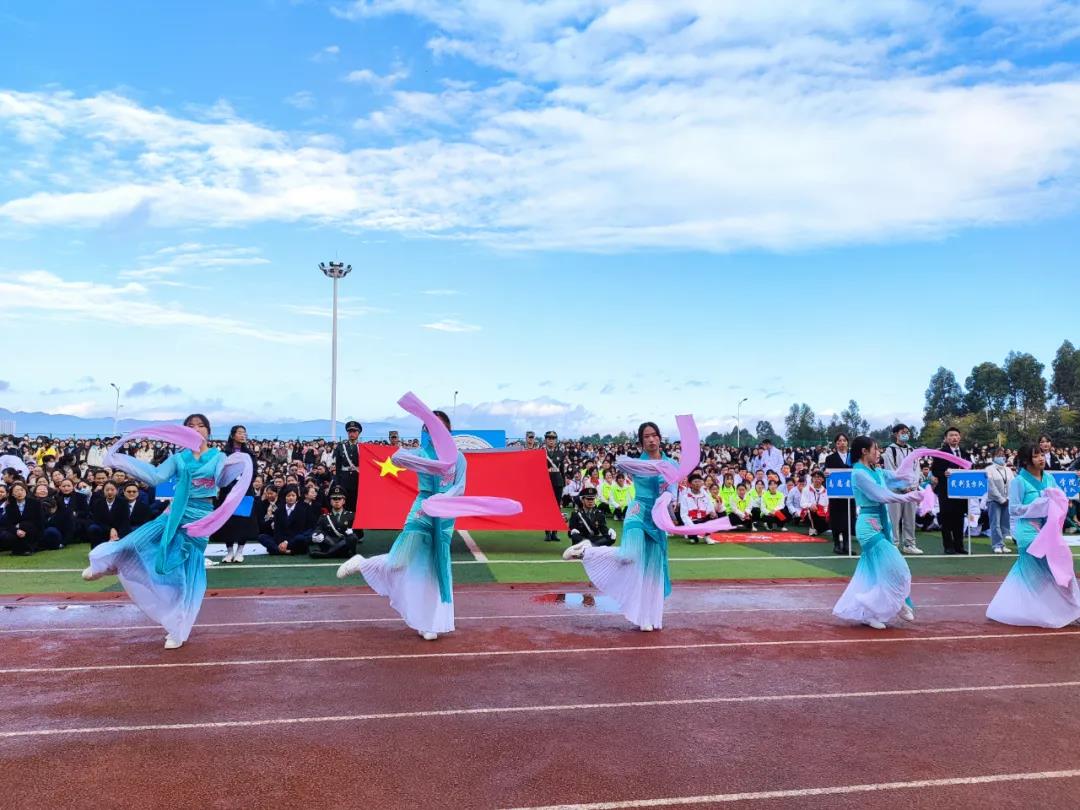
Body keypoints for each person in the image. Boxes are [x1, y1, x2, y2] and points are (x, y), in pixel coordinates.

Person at [81, 414, 252, 649]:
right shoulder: (178, 458)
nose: (195, 429)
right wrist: (118, 460)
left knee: (184, 575)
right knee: (136, 540)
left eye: (200, 426)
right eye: (190, 426)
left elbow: (222, 481)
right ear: (182, 432)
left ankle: (177, 628)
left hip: (200, 518)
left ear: (208, 431)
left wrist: (242, 460)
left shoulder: (218, 457)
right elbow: (155, 477)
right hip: (174, 513)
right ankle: (107, 563)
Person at [337, 408, 466, 641]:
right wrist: (426, 465)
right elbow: (398, 458)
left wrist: (442, 500)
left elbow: (460, 487)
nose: (435, 431)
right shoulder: (421, 453)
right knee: (401, 561)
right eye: (430, 427)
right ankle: (363, 564)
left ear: (448, 430)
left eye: (440, 426)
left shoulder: (458, 457)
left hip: (445, 514)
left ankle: (427, 622)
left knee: (434, 569)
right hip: (422, 511)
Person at [563, 421, 675, 632]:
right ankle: (587, 551)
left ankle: (646, 616)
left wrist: (668, 495)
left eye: (654, 435)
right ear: (641, 442)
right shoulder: (636, 463)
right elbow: (621, 463)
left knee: (651, 567)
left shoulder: (671, 464)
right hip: (638, 511)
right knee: (629, 555)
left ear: (660, 437)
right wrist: (655, 468)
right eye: (646, 437)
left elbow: (673, 488)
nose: (651, 439)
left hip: (657, 517)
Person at [833, 436, 923, 630]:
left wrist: (912, 467)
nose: (878, 452)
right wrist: (909, 497)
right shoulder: (859, 474)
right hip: (869, 526)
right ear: (864, 451)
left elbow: (897, 476)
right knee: (898, 567)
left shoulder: (877, 471)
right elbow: (882, 495)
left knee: (876, 573)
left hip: (882, 523)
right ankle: (897, 602)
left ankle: (870, 613)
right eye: (875, 449)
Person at [986, 444, 1080, 627]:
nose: (1041, 458)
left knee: (1063, 567)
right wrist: (1036, 506)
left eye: (1042, 454)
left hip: (1049, 531)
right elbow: (1014, 509)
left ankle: (1073, 608)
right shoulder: (1019, 481)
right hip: (1029, 531)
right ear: (1026, 460)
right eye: (1036, 456)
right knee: (1037, 572)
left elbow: (1060, 499)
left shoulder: (1049, 478)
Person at [214, 425, 259, 564]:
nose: (243, 435)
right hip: (228, 491)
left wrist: (243, 483)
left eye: (244, 433)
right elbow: (220, 471)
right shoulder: (224, 453)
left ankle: (240, 551)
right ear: (232, 435)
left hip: (245, 491)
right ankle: (229, 552)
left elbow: (254, 472)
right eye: (240, 433)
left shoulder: (250, 454)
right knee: (228, 520)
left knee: (243, 520)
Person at [882, 424, 923, 555]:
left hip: (911, 490)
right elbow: (890, 470)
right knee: (894, 518)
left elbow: (917, 470)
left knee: (910, 518)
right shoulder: (890, 451)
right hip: (895, 491)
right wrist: (903, 487)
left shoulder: (912, 450)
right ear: (896, 434)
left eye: (907, 432)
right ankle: (893, 544)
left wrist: (913, 486)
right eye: (903, 432)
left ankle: (909, 544)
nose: (905, 434)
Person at [930, 426, 971, 555]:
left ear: (960, 437)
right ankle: (948, 546)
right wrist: (943, 473)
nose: (954, 438)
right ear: (946, 438)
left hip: (961, 491)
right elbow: (935, 470)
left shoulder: (965, 453)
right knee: (947, 518)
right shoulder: (941, 453)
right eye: (951, 435)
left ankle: (959, 546)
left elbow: (970, 468)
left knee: (959, 518)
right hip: (946, 490)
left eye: (956, 435)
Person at [309, 485, 359, 558]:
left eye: (339, 498)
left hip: (345, 544)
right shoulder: (324, 517)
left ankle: (327, 554)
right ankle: (337, 552)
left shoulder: (352, 516)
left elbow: (359, 534)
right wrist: (316, 534)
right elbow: (318, 530)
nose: (337, 501)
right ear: (330, 501)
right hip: (330, 543)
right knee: (320, 535)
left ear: (344, 501)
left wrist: (353, 531)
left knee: (352, 538)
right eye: (334, 498)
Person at [824, 433, 853, 555]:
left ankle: (847, 545)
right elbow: (826, 472)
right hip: (836, 494)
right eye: (839, 441)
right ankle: (836, 544)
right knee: (836, 519)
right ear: (836, 444)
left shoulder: (853, 457)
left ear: (847, 442)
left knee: (848, 518)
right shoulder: (830, 458)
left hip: (850, 493)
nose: (842, 443)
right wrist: (825, 474)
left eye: (844, 440)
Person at [266, 485, 315, 554]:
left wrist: (286, 542)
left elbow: (306, 528)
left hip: (295, 539)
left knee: (301, 538)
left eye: (293, 495)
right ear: (285, 497)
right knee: (262, 537)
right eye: (288, 496)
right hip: (281, 539)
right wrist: (282, 542)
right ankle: (283, 550)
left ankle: (278, 550)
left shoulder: (304, 508)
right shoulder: (279, 510)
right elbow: (277, 529)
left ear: (296, 497)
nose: (291, 498)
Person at [985, 447, 1015, 554]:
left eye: (1002, 455)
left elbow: (1012, 484)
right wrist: (1000, 499)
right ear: (993, 457)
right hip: (994, 500)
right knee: (995, 523)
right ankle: (996, 545)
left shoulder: (1008, 470)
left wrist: (1008, 498)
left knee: (1004, 523)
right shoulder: (989, 469)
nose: (1001, 457)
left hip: (1007, 500)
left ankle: (1003, 544)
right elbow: (991, 486)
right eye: (998, 455)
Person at [1, 482, 44, 555]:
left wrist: (21, 525)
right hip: (17, 532)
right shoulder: (9, 506)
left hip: (32, 530)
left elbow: (39, 521)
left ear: (25, 491)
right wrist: (16, 531)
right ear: (12, 494)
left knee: (27, 527)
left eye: (22, 490)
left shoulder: (35, 503)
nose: (19, 492)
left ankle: (29, 548)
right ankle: (20, 549)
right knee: (6, 535)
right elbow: (9, 524)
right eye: (16, 491)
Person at [678, 472, 718, 543]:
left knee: (713, 516)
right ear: (690, 484)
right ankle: (691, 535)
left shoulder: (705, 495)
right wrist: (692, 526)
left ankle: (707, 537)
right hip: (692, 521)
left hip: (702, 519)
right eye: (695, 482)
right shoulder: (685, 497)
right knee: (694, 541)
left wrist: (712, 513)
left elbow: (710, 507)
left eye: (699, 481)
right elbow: (684, 515)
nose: (697, 484)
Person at [86, 481, 130, 547]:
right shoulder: (98, 503)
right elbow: (97, 520)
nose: (109, 492)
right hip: (104, 528)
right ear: (103, 491)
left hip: (119, 529)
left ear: (117, 490)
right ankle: (96, 548)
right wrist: (110, 529)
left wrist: (115, 529)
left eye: (112, 490)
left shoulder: (123, 502)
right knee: (93, 528)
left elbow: (124, 520)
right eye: (107, 490)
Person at [333, 420, 363, 511]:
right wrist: (337, 483)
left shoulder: (362, 447)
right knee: (345, 503)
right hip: (344, 479)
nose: (351, 434)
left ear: (358, 433)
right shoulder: (341, 446)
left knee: (357, 503)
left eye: (354, 431)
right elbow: (338, 467)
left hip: (358, 479)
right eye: (350, 431)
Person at [542, 430, 566, 542]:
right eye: (549, 438)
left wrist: (563, 483)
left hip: (557, 483)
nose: (551, 440)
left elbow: (562, 470)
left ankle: (555, 532)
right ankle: (547, 532)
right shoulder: (541, 452)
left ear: (556, 440)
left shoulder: (560, 453)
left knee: (557, 508)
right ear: (545, 440)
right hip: (545, 483)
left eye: (553, 438)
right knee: (547, 507)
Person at [801, 471, 830, 537]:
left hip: (821, 512)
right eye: (815, 477)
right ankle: (812, 529)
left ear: (823, 479)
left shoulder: (825, 491)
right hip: (809, 511)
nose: (817, 479)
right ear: (812, 479)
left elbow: (826, 504)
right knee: (811, 511)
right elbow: (802, 503)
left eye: (819, 477)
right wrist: (810, 505)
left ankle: (819, 529)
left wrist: (823, 510)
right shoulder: (806, 489)